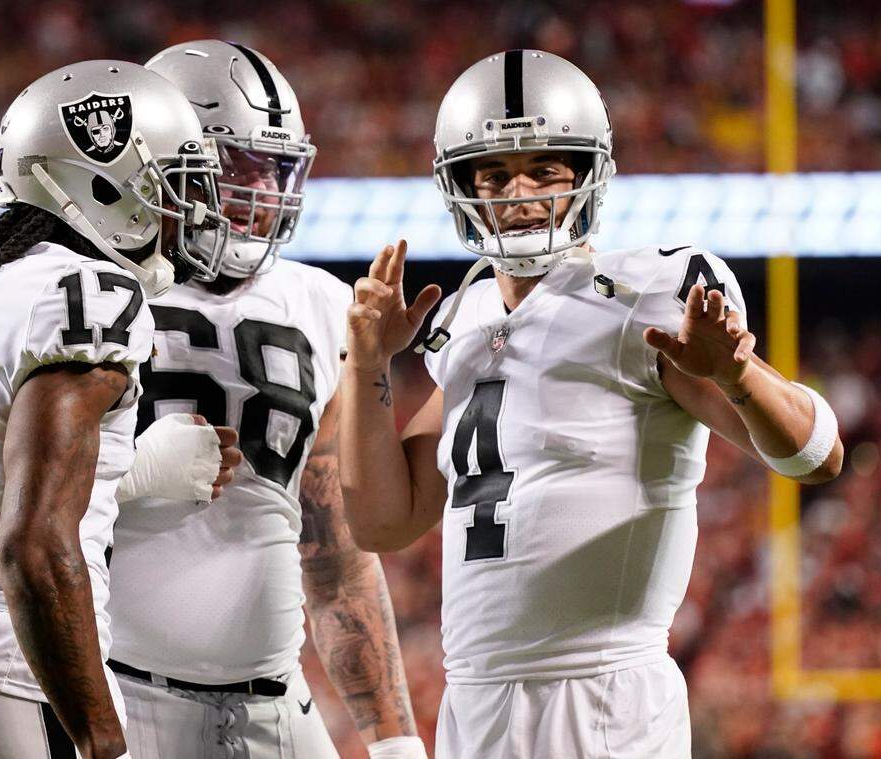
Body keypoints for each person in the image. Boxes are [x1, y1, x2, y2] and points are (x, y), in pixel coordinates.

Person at [339, 50, 844, 759]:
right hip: (474, 699)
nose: (518, 191)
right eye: (494, 172)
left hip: (600, 694)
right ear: (460, 185)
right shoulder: (466, 317)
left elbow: (818, 454)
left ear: (588, 177)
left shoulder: (641, 296)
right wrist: (367, 363)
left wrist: (736, 376)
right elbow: (383, 520)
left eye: (545, 169)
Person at [0, 59, 238, 759]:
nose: (187, 210)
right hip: (11, 678)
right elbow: (32, 543)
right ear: (105, 179)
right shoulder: (89, 291)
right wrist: (98, 729)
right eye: (170, 185)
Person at [104, 41, 425, 759]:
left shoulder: (322, 304)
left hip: (277, 707)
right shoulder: (90, 292)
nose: (264, 192)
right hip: (120, 699)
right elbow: (18, 509)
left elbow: (336, 559)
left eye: (276, 168)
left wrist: (395, 742)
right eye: (235, 166)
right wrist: (128, 473)